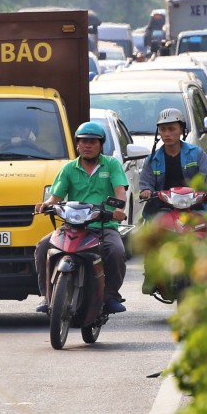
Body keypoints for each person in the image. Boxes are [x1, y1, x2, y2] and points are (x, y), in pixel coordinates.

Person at [33, 122, 128, 314]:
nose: (87, 145)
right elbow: (55, 197)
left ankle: (110, 296)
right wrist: (47, 205)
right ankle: (48, 296)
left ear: (101, 145)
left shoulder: (111, 165)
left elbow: (120, 193)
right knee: (43, 246)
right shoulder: (68, 169)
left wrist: (119, 208)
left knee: (116, 251)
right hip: (73, 225)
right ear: (77, 144)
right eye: (83, 141)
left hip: (104, 224)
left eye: (93, 141)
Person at [139, 108, 207, 219]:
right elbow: (146, 183)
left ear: (181, 129)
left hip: (196, 206)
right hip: (163, 208)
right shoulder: (152, 159)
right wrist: (146, 191)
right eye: (162, 129)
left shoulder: (197, 153)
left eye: (171, 129)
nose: (167, 134)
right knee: (151, 228)